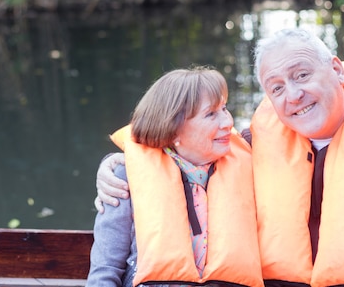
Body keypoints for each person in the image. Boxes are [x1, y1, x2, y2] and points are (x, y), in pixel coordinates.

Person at [95, 28, 344, 287]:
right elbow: (181, 151)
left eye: (302, 75)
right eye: (276, 87)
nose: (293, 95)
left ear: (337, 70)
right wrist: (113, 166)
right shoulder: (251, 147)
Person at [86, 66, 263, 287]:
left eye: (224, 109)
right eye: (211, 114)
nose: (228, 122)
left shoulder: (252, 161)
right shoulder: (125, 175)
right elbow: (105, 270)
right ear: (173, 130)